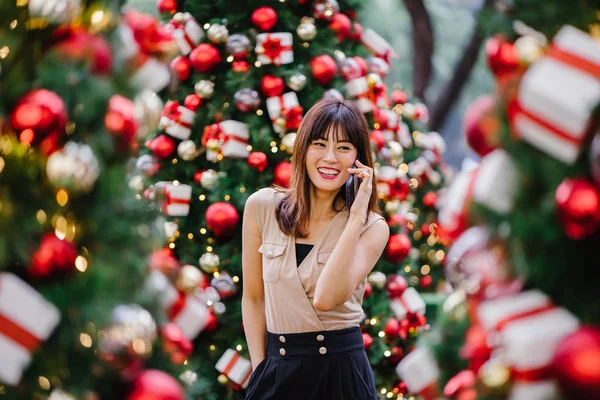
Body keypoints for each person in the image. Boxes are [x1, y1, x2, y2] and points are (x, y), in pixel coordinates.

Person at [242, 97, 390, 400]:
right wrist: (261, 370)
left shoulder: (372, 228)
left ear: (359, 160)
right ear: (303, 149)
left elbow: (326, 298)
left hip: (341, 375)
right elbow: (254, 298)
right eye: (320, 144)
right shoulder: (261, 207)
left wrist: (357, 215)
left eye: (344, 148)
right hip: (276, 371)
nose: (331, 158)